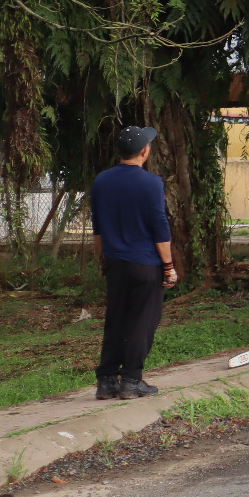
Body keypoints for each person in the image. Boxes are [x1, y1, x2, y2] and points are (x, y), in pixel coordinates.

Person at [90, 126, 177, 401]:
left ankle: (106, 381)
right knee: (143, 320)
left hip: (115, 262)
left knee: (116, 318)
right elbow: (159, 226)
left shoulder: (102, 181)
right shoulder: (151, 183)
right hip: (145, 264)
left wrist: (103, 258)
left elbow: (98, 227)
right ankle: (131, 380)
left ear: (119, 151)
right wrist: (168, 266)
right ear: (144, 151)